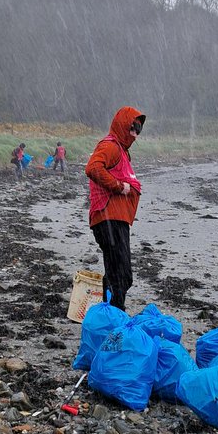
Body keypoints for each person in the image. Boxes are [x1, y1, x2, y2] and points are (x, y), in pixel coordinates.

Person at [85, 107, 145, 311]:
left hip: (115, 219)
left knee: (119, 272)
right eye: (133, 128)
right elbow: (93, 168)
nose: (135, 135)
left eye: (139, 130)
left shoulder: (122, 150)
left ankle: (110, 312)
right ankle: (114, 315)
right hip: (108, 218)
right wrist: (119, 186)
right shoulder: (110, 146)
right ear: (123, 125)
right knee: (120, 272)